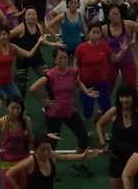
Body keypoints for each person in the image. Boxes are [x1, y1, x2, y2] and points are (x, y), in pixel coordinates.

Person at [30, 47, 94, 176]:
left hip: (70, 111)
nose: (63, 60)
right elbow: (33, 88)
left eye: (65, 58)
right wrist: (45, 101)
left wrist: (86, 91)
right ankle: (49, 170)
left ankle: (78, 164)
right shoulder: (50, 75)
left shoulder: (72, 72)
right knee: (51, 146)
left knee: (84, 138)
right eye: (60, 58)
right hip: (54, 115)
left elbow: (77, 82)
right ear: (55, 60)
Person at [6, 134, 101, 189]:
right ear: (35, 150)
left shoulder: (52, 156)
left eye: (48, 149)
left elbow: (66, 157)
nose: (46, 152)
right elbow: (9, 174)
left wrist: (82, 156)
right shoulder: (30, 161)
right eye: (42, 150)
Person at [74, 24, 130, 131]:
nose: (95, 35)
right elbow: (76, 62)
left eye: (98, 33)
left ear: (100, 34)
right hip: (86, 85)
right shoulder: (81, 48)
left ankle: (103, 130)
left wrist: (123, 50)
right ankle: (87, 132)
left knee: (106, 109)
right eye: (93, 32)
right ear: (88, 34)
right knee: (88, 112)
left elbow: (114, 59)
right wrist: (76, 74)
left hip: (102, 84)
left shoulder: (104, 47)